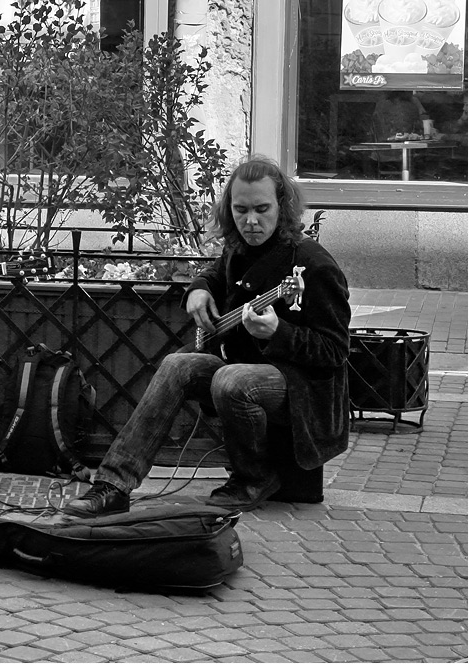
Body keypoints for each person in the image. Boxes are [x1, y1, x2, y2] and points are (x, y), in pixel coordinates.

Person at [64, 157, 351, 517]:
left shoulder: (314, 264)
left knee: (232, 380)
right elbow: (215, 274)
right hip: (241, 361)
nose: (251, 221)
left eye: (262, 209)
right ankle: (113, 484)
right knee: (175, 365)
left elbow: (336, 351)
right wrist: (198, 289)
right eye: (241, 210)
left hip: (298, 388)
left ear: (283, 206)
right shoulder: (240, 249)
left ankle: (253, 477)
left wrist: (280, 332)